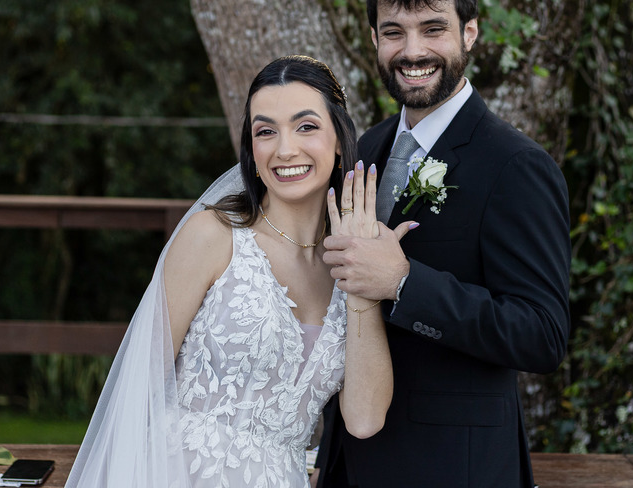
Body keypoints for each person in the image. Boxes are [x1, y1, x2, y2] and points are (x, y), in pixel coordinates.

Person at [65, 55, 410, 488]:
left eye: (306, 126)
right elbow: (138, 391)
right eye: (266, 131)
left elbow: (364, 419)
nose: (285, 149)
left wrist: (359, 281)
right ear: (252, 147)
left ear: (340, 140)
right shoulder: (212, 236)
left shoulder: (352, 262)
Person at [316, 0, 572, 488]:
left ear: (469, 33)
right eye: (394, 32)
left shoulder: (516, 165)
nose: (413, 51)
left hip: (454, 466)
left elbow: (542, 335)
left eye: (433, 29)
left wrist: (404, 283)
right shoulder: (366, 149)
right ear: (375, 39)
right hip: (350, 460)